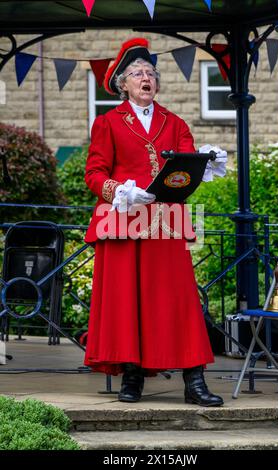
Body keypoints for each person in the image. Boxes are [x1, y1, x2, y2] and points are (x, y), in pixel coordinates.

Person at [84, 37, 226, 407]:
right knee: (127, 303)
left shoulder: (174, 122)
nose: (145, 78)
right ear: (123, 83)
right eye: (137, 73)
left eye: (150, 72)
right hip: (125, 223)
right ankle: (132, 377)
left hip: (165, 224)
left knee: (178, 302)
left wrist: (203, 164)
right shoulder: (108, 123)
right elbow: (94, 175)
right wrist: (119, 190)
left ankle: (194, 382)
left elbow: (184, 176)